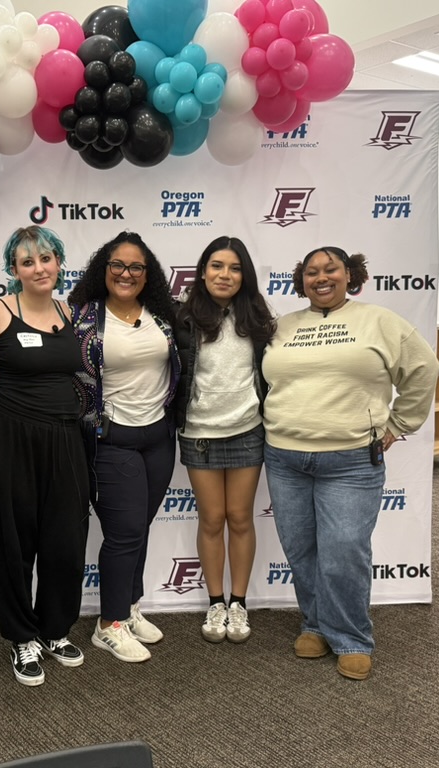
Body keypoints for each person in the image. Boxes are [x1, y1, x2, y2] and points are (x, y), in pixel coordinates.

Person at [261, 246, 439, 681]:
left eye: (330, 270)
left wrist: (397, 425)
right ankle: (315, 625)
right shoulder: (283, 326)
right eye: (310, 272)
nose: (320, 278)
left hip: (351, 462)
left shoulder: (379, 321)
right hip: (284, 458)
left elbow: (424, 368)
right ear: (300, 280)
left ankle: (352, 638)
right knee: (302, 549)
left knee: (343, 553)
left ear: (349, 275)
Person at [0, 226, 90, 687]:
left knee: (65, 540)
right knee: (13, 540)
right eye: (27, 261)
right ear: (13, 270)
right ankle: (22, 636)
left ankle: (55, 629)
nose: (39, 268)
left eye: (46, 258)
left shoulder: (72, 312)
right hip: (7, 438)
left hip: (64, 438)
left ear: (59, 261)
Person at [68, 231, 180, 664]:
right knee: (124, 533)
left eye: (136, 267)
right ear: (104, 269)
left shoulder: (162, 315)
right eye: (118, 265)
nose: (126, 273)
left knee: (141, 527)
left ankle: (130, 606)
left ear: (147, 274)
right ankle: (108, 624)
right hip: (111, 439)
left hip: (158, 436)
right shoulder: (81, 317)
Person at [173, 236, 276, 644]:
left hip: (248, 430)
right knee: (212, 519)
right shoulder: (183, 317)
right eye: (217, 266)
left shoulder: (258, 317)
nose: (225, 275)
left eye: (234, 268)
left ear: (244, 275)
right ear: (203, 270)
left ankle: (239, 602)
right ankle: (215, 601)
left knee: (240, 518)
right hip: (198, 433)